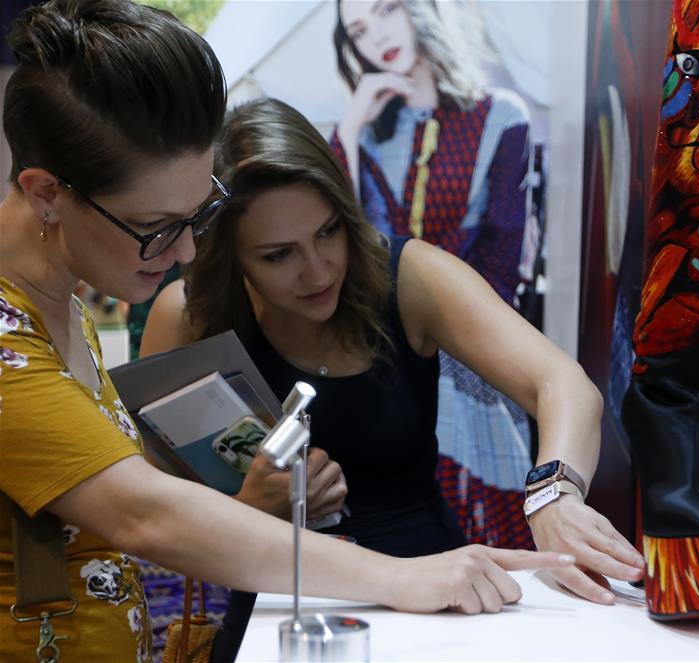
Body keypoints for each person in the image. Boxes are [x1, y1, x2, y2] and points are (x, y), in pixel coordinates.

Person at [0, 2, 574, 662]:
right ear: (46, 193)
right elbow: (145, 512)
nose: (186, 252)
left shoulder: (57, 300)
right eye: (156, 227)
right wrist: (401, 575)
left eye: (198, 216)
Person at [142, 96, 645, 653]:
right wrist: (250, 510)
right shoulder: (190, 317)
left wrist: (553, 494)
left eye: (329, 231)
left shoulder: (408, 276)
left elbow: (562, 383)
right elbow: (153, 510)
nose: (318, 270)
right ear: (230, 256)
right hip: (283, 607)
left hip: (440, 591)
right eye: (279, 255)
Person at [331, 0, 537, 548]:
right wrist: (348, 130)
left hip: (474, 348)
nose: (377, 36)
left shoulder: (500, 117)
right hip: (383, 352)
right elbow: (342, 248)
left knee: (487, 531)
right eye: (358, 30)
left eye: (387, 10)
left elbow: (503, 261)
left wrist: (448, 341)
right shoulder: (368, 133)